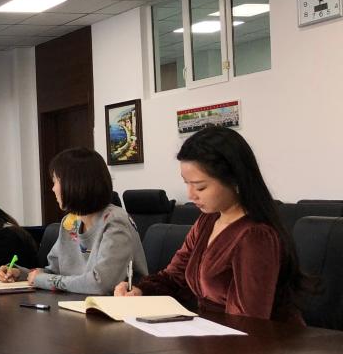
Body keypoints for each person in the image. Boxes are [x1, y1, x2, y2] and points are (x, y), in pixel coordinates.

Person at [114, 127, 304, 323]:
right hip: (212, 332)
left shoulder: (256, 236)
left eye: (200, 187)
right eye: (186, 183)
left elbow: (249, 321)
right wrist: (140, 290)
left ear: (234, 180)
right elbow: (175, 277)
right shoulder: (208, 221)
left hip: (259, 339)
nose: (190, 195)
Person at [0, 148, 147, 293]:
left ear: (74, 183)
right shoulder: (70, 223)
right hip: (74, 303)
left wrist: (42, 280)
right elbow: (54, 271)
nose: (53, 189)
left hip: (114, 307)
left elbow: (101, 283)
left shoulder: (115, 221)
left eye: (55, 181)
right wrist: (21, 274)